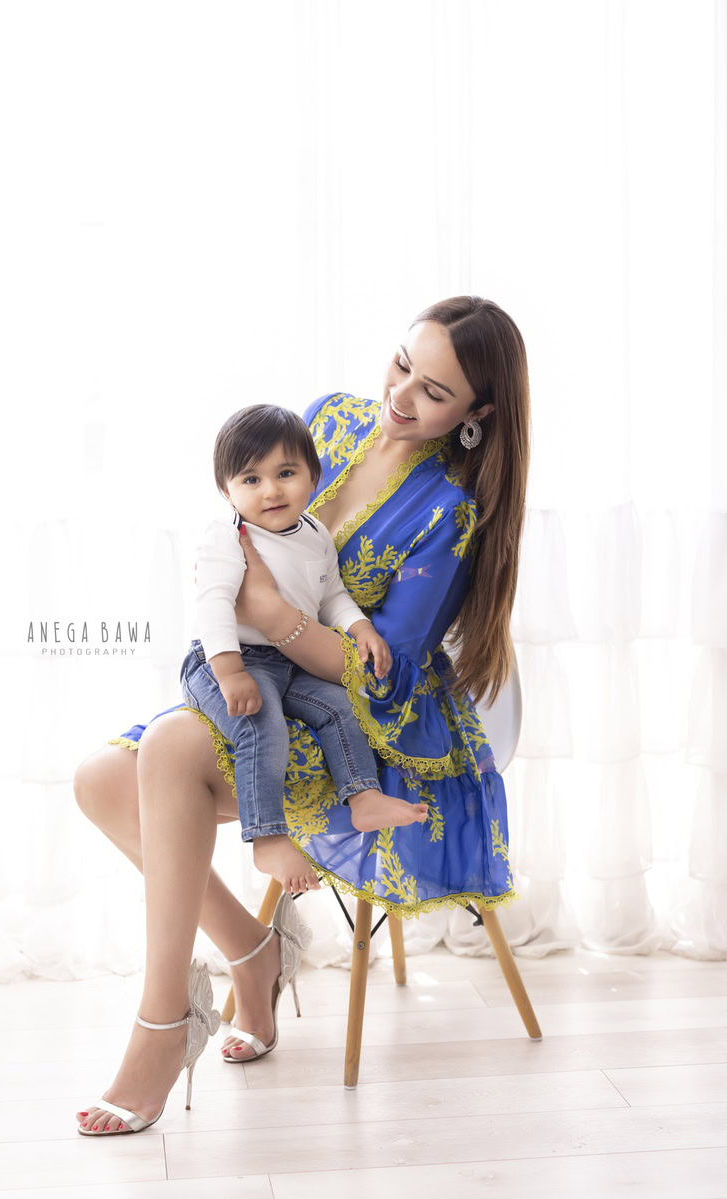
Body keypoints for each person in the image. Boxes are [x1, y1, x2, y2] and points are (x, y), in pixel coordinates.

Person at [72, 295, 530, 1135]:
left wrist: (272, 613)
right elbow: (241, 513)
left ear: (478, 414)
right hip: (263, 677)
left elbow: (378, 677)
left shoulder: (447, 513)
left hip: (363, 724)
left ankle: (162, 1026)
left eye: (433, 392)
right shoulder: (330, 420)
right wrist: (233, 601)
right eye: (402, 363)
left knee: (168, 748)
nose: (400, 396)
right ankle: (254, 954)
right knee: (100, 779)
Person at [182, 402, 429, 886]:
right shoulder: (228, 537)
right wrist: (230, 672)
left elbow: (331, 594)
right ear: (226, 491)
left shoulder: (314, 533)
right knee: (262, 723)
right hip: (227, 660)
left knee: (339, 705)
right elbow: (213, 604)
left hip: (287, 662)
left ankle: (363, 797)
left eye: (285, 473)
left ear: (313, 476)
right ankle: (267, 838)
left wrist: (360, 628)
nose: (271, 490)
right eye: (251, 479)